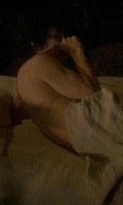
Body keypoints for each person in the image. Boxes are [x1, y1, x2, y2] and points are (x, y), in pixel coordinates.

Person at [16, 24, 101, 152]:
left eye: (63, 36)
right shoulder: (40, 62)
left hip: (84, 140)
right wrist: (77, 53)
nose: (63, 41)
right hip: (93, 138)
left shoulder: (26, 71)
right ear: (36, 44)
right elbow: (96, 98)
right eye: (56, 37)